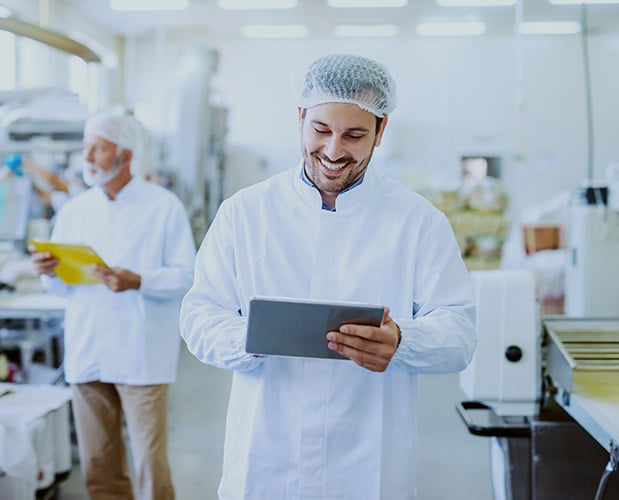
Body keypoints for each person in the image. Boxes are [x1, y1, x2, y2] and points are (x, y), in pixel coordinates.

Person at [179, 54, 477, 500]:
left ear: (381, 130)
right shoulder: (245, 213)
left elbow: (459, 332)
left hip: (368, 466)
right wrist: (250, 337)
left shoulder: (418, 221)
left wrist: (402, 341)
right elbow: (199, 314)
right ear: (300, 118)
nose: (334, 151)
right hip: (266, 459)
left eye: (354, 135)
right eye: (321, 130)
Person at [30, 109, 196, 500]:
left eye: (98, 149)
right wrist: (48, 272)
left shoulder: (163, 206)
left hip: (141, 352)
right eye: (85, 148)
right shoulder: (75, 210)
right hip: (88, 348)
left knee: (150, 464)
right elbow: (61, 290)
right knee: (98, 464)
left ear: (125, 155)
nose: (87, 158)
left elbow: (187, 277)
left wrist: (138, 280)